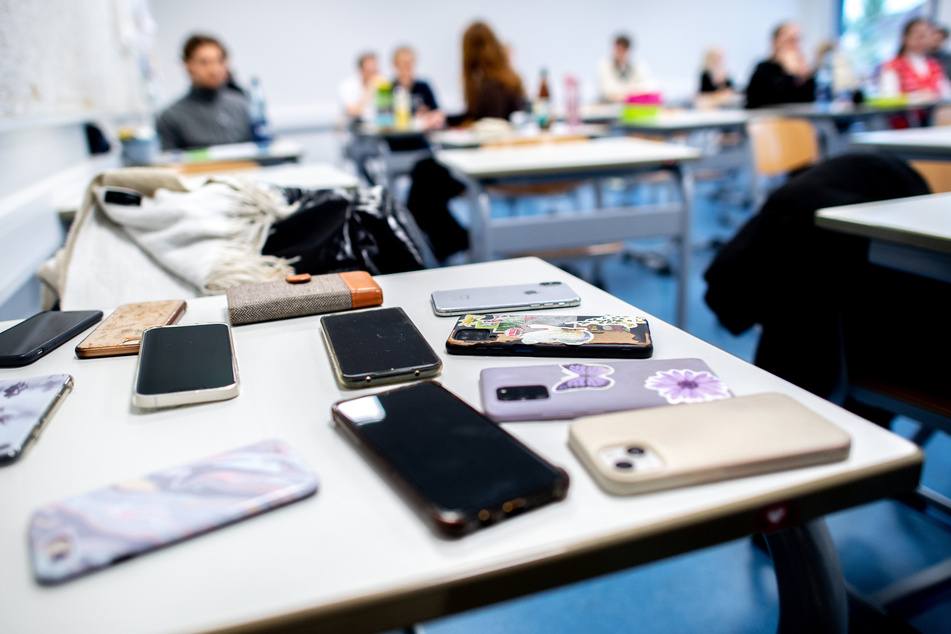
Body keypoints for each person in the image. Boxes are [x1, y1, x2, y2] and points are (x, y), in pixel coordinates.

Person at [406, 21, 527, 261]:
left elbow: (488, 125)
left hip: (486, 164)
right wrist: (449, 119)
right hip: (491, 157)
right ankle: (451, 240)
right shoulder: (501, 79)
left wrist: (454, 123)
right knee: (423, 178)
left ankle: (451, 241)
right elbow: (478, 116)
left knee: (423, 181)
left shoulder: (491, 85)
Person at [156, 35, 252, 151]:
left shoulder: (242, 106)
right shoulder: (171, 117)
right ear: (188, 65)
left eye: (219, 61)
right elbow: (168, 164)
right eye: (204, 62)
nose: (213, 69)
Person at [745, 22, 832, 109]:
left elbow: (808, 102)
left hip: (799, 121)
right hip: (767, 121)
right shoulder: (763, 69)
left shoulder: (803, 71)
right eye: (790, 40)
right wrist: (788, 74)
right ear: (776, 42)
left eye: (797, 40)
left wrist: (806, 78)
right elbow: (768, 101)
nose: (795, 45)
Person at [880, 18, 951, 100]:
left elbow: (946, 94)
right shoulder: (893, 65)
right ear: (905, 37)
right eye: (919, 35)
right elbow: (889, 97)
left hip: (934, 111)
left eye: (927, 35)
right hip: (905, 112)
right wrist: (917, 96)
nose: (923, 40)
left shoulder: (934, 65)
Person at [392, 46, 445, 130]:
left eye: (410, 62)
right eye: (404, 63)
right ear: (395, 64)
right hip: (396, 138)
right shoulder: (388, 88)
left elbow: (438, 113)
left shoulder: (423, 86)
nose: (408, 66)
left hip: (420, 137)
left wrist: (430, 118)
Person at [597, 34, 655, 102]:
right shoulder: (604, 66)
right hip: (608, 104)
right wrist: (632, 92)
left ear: (629, 50)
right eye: (618, 49)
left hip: (632, 105)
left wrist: (624, 94)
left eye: (624, 49)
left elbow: (647, 87)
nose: (621, 53)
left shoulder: (638, 66)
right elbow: (607, 91)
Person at [339, 52, 383, 122]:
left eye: (375, 70)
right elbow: (353, 112)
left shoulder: (384, 83)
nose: (373, 74)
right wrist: (369, 90)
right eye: (369, 71)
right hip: (353, 126)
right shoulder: (348, 85)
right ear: (361, 70)